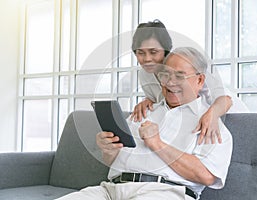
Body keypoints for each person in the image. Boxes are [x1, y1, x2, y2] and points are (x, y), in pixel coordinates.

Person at [56, 47, 233, 200]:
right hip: (110, 190)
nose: (170, 83)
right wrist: (108, 149)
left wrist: (158, 144)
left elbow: (207, 176)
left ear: (200, 80)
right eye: (165, 75)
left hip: (163, 192)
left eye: (179, 76)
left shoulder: (211, 124)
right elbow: (113, 160)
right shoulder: (142, 112)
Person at [130, 19, 233, 144]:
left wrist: (212, 114)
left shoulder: (187, 64)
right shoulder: (144, 74)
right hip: (189, 119)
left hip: (225, 114)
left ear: (166, 50)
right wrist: (148, 101)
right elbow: (163, 100)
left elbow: (226, 100)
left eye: (153, 52)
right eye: (141, 53)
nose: (147, 59)